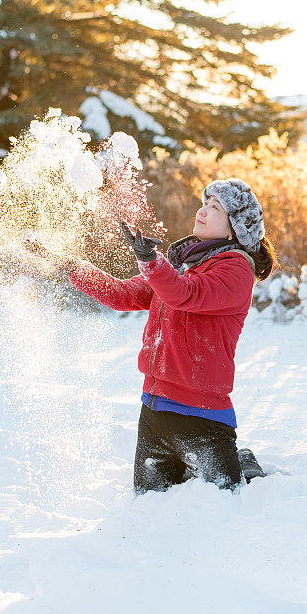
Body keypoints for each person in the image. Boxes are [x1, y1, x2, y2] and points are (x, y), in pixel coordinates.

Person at [27, 178, 276, 495]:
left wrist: (151, 261)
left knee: (227, 500)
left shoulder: (236, 270)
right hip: (155, 412)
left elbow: (184, 294)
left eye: (215, 208)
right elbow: (123, 294)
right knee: (149, 506)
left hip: (203, 419)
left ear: (234, 230)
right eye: (205, 203)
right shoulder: (180, 265)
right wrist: (68, 264)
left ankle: (244, 463)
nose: (202, 211)